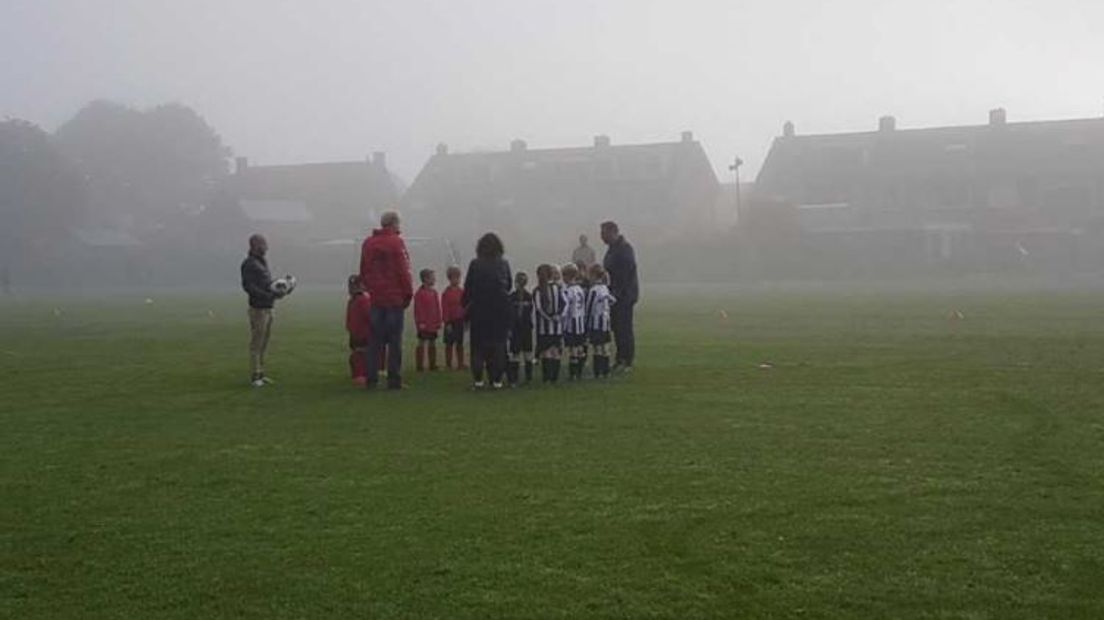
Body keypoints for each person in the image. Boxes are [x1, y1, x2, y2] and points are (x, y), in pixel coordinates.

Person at [359, 211, 413, 390]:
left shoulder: (368, 244)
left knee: (374, 341)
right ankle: (394, 379)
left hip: (376, 299)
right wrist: (408, 293)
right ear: (394, 224)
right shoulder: (397, 243)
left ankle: (371, 378)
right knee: (395, 341)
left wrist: (372, 289)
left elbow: (364, 271)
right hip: (395, 298)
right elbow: (403, 271)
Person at [461, 233, 513, 389]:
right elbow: (508, 285)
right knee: (498, 346)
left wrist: (465, 305)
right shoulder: (503, 264)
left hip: (479, 309)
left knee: (478, 347)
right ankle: (496, 380)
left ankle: (478, 381)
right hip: (500, 309)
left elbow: (468, 287)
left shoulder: (475, 264)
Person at [240, 234, 285, 387]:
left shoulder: (262, 262)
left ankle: (261, 372)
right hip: (258, 308)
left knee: (264, 342)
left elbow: (266, 283)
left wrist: (279, 287)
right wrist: (268, 295)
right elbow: (249, 286)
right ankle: (255, 375)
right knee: (256, 343)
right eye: (263, 244)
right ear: (254, 245)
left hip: (268, 306)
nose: (266, 247)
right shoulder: (248, 264)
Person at [601, 221, 639, 372]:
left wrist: (616, 293)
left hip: (624, 296)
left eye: (604, 233)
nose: (602, 237)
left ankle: (627, 360)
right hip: (614, 295)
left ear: (613, 232)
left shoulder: (625, 249)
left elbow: (625, 275)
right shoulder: (612, 249)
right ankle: (620, 358)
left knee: (624, 328)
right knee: (616, 328)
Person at [533, 263, 566, 383]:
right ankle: (554, 378)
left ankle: (547, 378)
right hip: (557, 327)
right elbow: (565, 304)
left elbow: (539, 308)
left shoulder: (538, 290)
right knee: (556, 351)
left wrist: (548, 318)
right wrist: (559, 316)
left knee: (546, 352)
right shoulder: (558, 288)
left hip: (544, 327)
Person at [585, 264, 616, 378]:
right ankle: (606, 371)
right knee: (605, 347)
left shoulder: (594, 290)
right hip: (605, 322)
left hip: (596, 322)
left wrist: (586, 323)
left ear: (592, 275)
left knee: (597, 348)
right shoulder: (605, 288)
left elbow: (589, 307)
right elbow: (613, 300)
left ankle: (598, 372)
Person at [560, 263, 588, 380]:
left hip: (571, 323)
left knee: (573, 349)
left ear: (566, 276)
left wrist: (561, 319)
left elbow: (566, 307)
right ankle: (579, 372)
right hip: (581, 322)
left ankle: (573, 374)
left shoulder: (568, 291)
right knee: (580, 347)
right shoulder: (579, 289)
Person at [346, 274, 375, 386]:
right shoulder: (364, 300)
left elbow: (348, 319)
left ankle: (358, 374)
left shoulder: (352, 301)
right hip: (364, 332)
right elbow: (370, 315)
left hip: (354, 332)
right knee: (363, 352)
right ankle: (360, 376)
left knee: (356, 352)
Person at [506, 271, 535, 386]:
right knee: (516, 353)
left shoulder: (529, 296)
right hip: (516, 329)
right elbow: (508, 314)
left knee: (526, 353)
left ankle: (527, 378)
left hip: (525, 328)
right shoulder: (512, 297)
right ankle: (515, 378)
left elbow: (531, 312)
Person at [413, 268, 442, 372]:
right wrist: (420, 322)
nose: (434, 280)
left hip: (433, 322)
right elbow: (418, 309)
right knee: (421, 342)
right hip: (424, 323)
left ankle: (432, 364)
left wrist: (439, 321)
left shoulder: (434, 293)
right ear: (425, 279)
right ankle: (419, 366)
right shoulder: (419, 294)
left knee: (432, 342)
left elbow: (438, 307)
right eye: (432, 278)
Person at [441, 265, 467, 371]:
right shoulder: (446, 293)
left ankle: (461, 363)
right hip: (450, 321)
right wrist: (447, 322)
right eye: (454, 277)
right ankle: (448, 364)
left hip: (460, 320)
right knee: (449, 343)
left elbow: (465, 305)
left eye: (458, 277)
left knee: (459, 343)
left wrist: (465, 318)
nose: (457, 280)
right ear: (450, 278)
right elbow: (445, 307)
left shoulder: (462, 292)